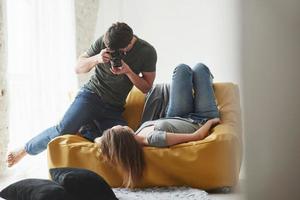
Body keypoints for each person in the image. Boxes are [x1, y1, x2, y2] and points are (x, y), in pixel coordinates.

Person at [6, 22, 157, 167]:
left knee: (125, 141)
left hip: (114, 107)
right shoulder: (105, 41)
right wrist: (97, 58)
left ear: (129, 43)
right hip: (91, 95)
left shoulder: (147, 52)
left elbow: (146, 88)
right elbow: (78, 68)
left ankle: (87, 129)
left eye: (120, 51)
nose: (116, 54)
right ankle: (25, 150)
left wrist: (128, 72)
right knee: (63, 130)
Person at [94, 63, 220, 188]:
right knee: (200, 69)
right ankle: (206, 84)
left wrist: (107, 142)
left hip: (176, 115)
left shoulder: (136, 134)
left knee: (181, 69)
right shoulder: (154, 138)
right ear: (123, 135)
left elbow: (98, 140)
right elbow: (196, 136)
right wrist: (211, 122)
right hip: (200, 119)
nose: (120, 125)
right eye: (119, 127)